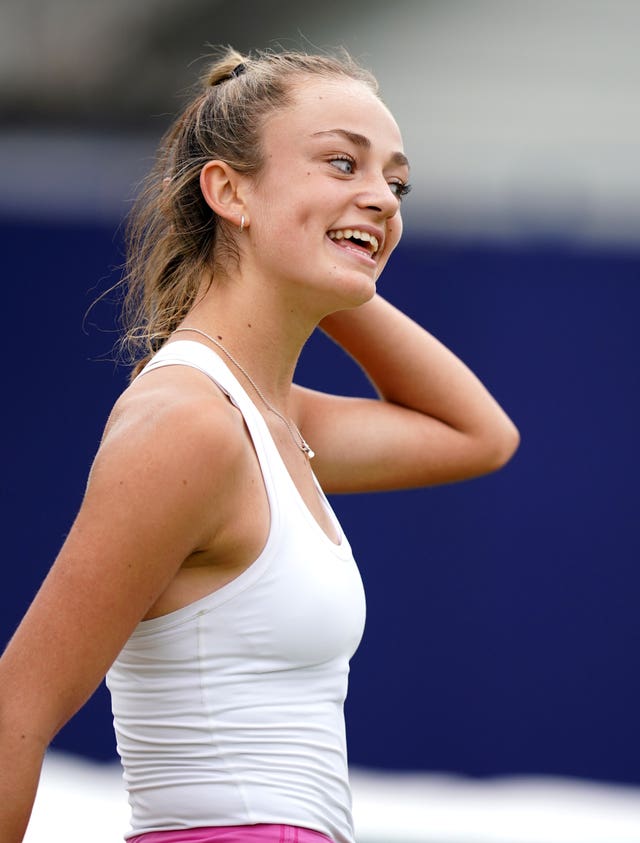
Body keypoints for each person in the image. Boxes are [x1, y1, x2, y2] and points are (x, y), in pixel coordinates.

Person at [0, 47, 519, 843]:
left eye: (396, 184)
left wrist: (332, 245)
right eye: (342, 162)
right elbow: (18, 708)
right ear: (227, 188)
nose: (381, 196)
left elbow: (479, 436)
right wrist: (327, 247)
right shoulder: (189, 422)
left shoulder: (274, 420)